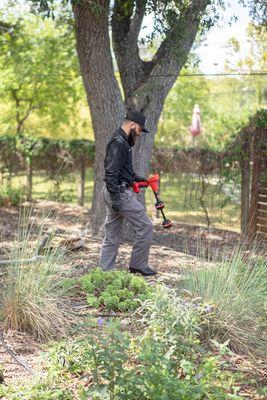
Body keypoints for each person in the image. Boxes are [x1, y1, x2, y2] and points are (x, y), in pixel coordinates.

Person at [99, 110, 156, 276]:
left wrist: (141, 180)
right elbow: (111, 173)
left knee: (112, 235)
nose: (138, 134)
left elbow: (125, 172)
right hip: (118, 193)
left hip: (114, 191)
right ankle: (138, 265)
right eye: (138, 130)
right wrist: (117, 199)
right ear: (132, 125)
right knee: (145, 225)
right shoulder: (118, 142)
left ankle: (103, 273)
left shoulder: (123, 142)